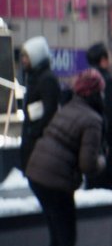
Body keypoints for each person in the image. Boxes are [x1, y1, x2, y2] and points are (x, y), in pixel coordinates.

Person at [25, 69, 106, 246]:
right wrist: (102, 161)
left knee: (57, 237)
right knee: (67, 240)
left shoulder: (68, 107)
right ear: (95, 94)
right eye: (101, 91)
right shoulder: (93, 120)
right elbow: (88, 165)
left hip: (36, 173)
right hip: (55, 183)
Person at [84, 43, 112, 190]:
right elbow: (111, 115)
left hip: (91, 139)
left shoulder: (86, 80)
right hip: (109, 143)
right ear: (103, 59)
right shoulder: (107, 81)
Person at [20, 36, 61, 174]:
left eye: (27, 56)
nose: (23, 60)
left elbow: (50, 111)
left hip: (39, 141)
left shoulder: (46, 79)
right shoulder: (33, 77)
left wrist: (35, 131)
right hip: (34, 138)